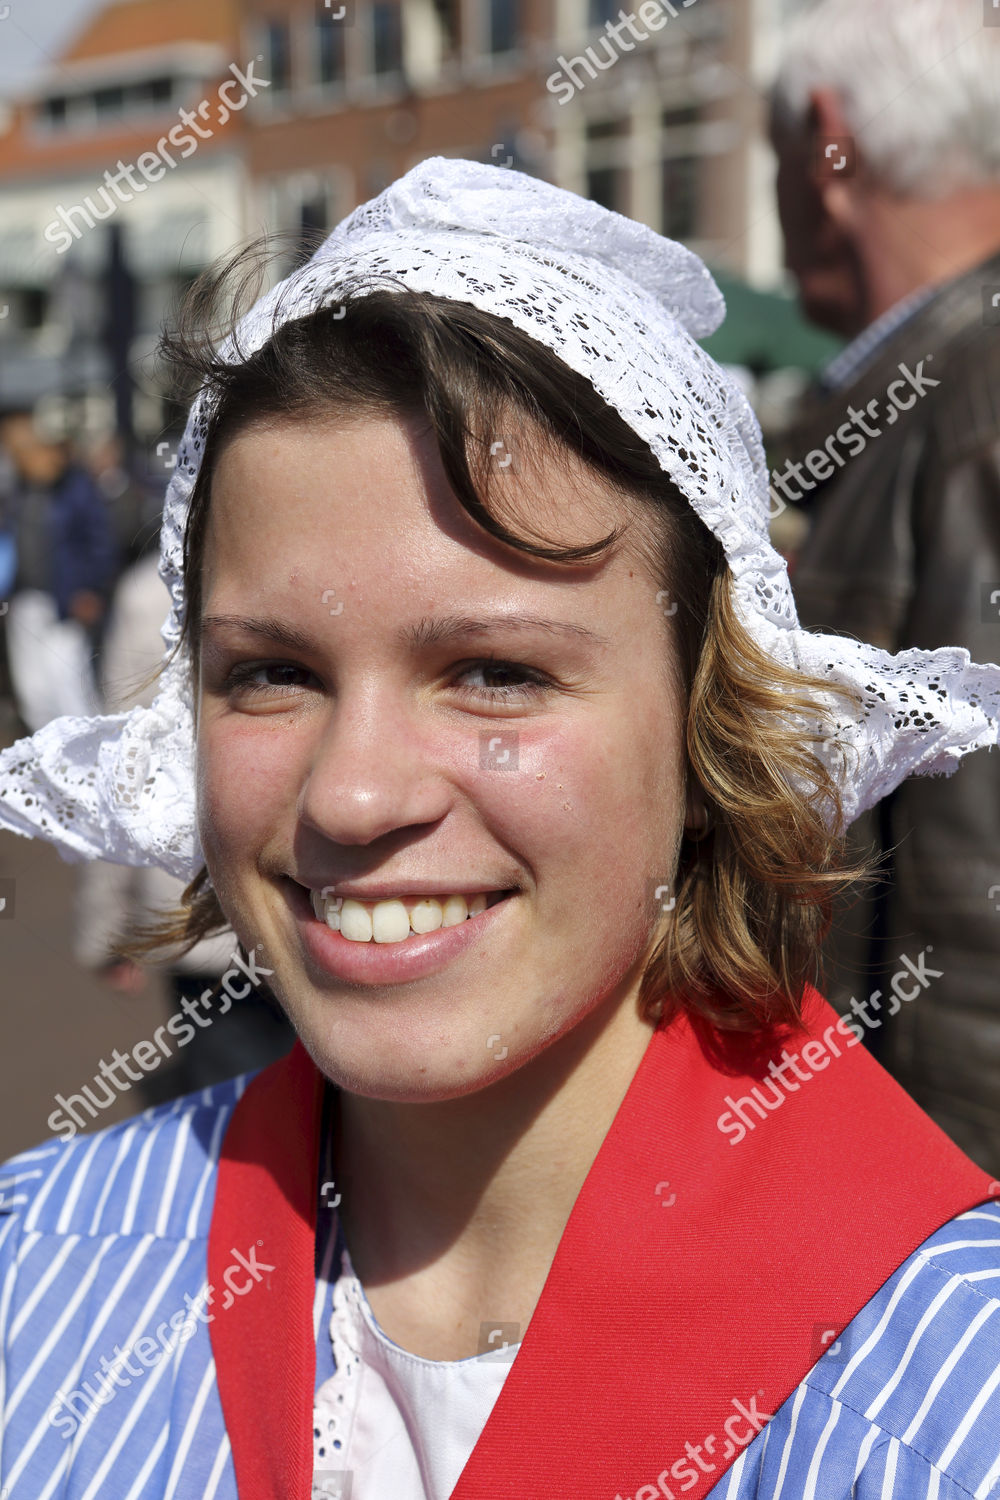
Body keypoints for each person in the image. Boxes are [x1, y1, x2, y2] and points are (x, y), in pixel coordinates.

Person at [1, 159, 999, 1499]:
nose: (355, 796)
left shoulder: (943, 1391)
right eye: (273, 673)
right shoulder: (46, 1275)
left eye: (495, 672)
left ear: (713, 716)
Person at [768, 0, 1000, 1171]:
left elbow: (978, 911)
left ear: (825, 146)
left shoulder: (971, 402)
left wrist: (943, 1261)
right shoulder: (926, 399)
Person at [72, 544, 295, 1104]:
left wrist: (108, 929)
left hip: (205, 912)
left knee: (239, 1118)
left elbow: (123, 761)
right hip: (297, 907)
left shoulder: (147, 593)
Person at [0, 409, 118, 731]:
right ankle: (49, 764)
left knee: (69, 686)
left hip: (65, 601)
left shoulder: (74, 488)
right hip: (23, 602)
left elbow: (99, 543)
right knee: (34, 691)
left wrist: (92, 590)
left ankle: (89, 759)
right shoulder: (17, 492)